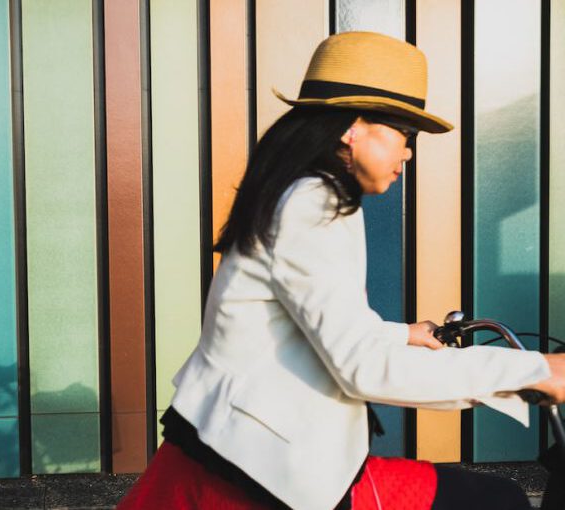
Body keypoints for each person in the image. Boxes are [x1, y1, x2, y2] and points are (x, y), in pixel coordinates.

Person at [117, 31, 565, 510]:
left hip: (243, 450)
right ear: (354, 126)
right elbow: (361, 367)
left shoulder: (297, 189)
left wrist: (402, 334)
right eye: (404, 135)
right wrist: (537, 369)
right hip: (256, 474)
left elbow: (305, 324)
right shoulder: (316, 203)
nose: (408, 154)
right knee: (494, 501)